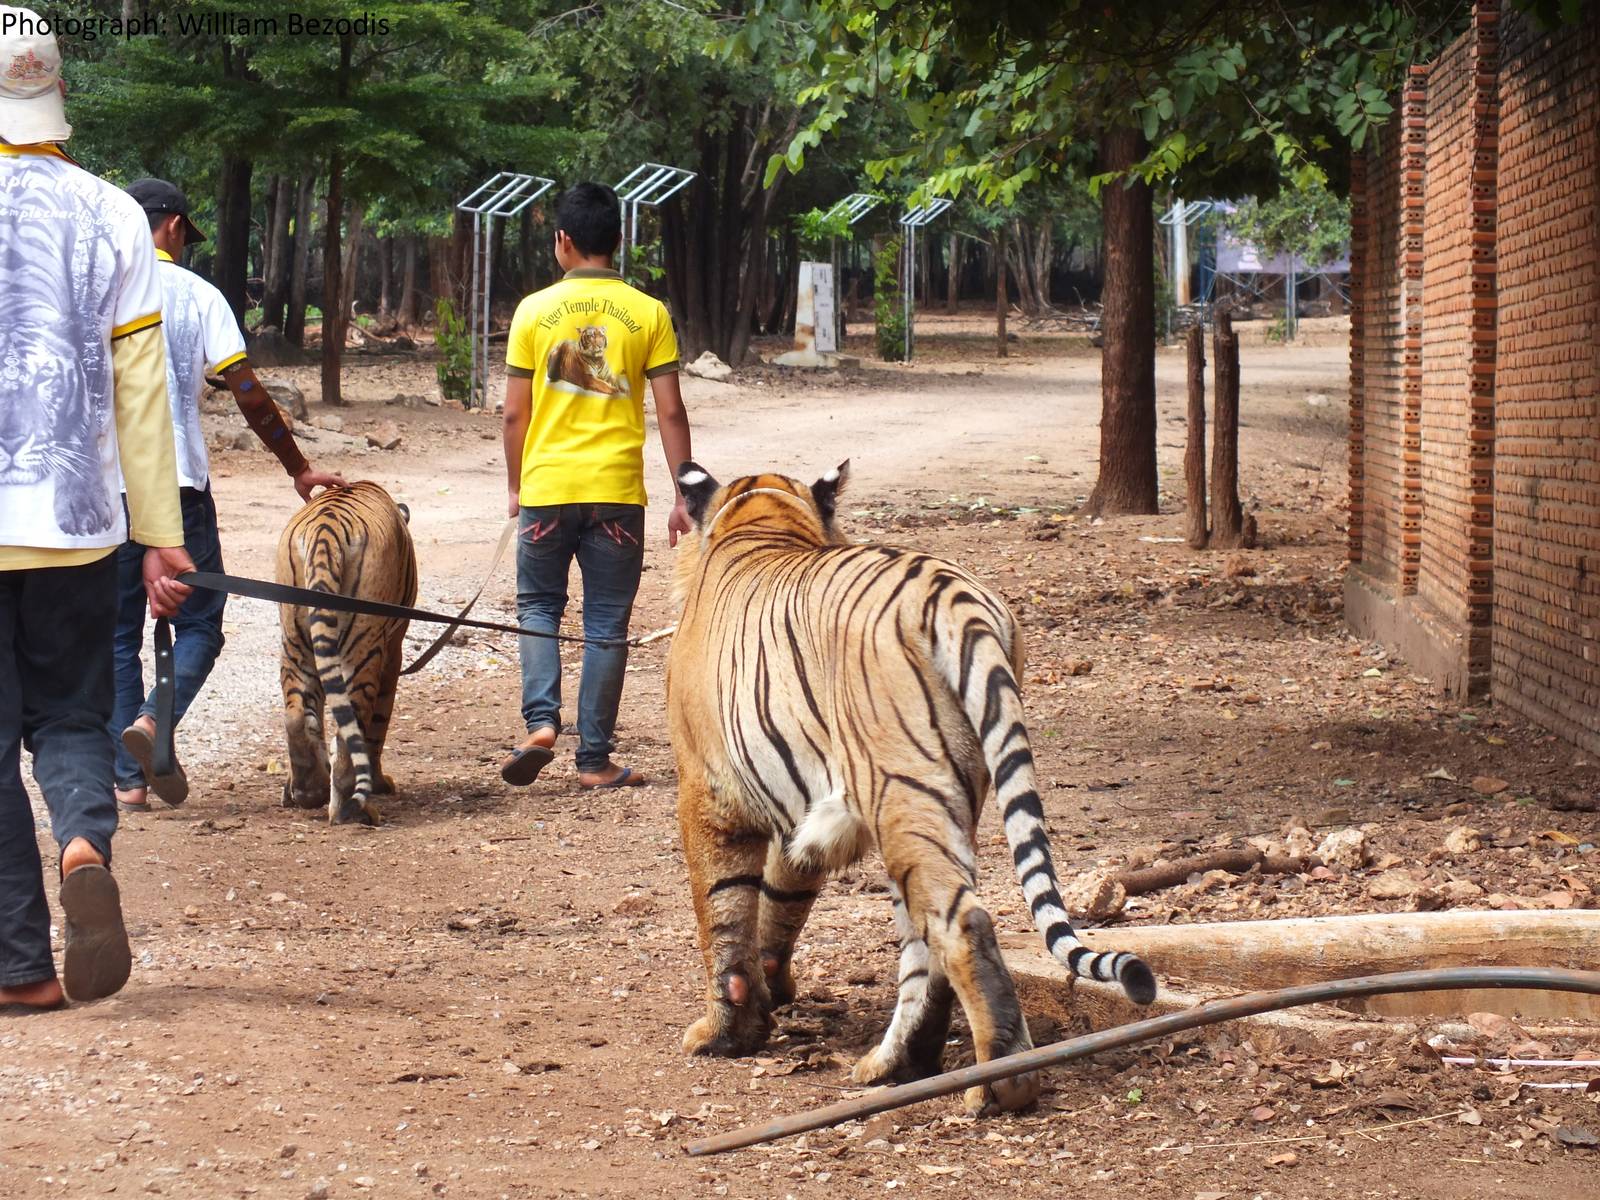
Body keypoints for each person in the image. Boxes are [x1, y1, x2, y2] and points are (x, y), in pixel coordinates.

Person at [0, 6, 193, 1011]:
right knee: (71, 713)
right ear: (57, 93)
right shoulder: (114, 212)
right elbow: (143, 390)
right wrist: (160, 532)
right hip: (75, 522)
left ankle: (21, 968)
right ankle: (81, 839)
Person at [109, 179, 346, 813]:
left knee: (114, 630)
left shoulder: (95, 287)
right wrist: (297, 467)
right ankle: (155, 723)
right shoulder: (196, 293)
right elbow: (245, 389)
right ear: (175, 227)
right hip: (177, 484)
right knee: (202, 624)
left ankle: (125, 780)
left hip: (103, 488)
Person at [499, 182, 693, 790]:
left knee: (538, 607)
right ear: (619, 240)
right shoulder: (649, 312)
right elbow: (670, 412)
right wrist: (685, 493)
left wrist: (516, 484)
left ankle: (540, 723)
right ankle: (594, 761)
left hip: (547, 488)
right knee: (607, 622)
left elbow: (513, 415)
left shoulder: (532, 312)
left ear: (562, 241)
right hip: (617, 495)